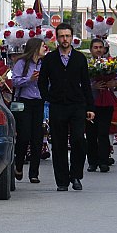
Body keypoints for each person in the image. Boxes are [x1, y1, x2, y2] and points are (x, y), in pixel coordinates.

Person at [38, 22, 95, 191]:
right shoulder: (49, 59)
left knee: (78, 140)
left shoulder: (79, 59)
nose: (65, 39)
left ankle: (76, 175)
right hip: (57, 105)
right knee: (59, 143)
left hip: (77, 104)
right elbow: (42, 82)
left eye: (68, 36)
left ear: (72, 37)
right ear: (57, 38)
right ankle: (62, 181)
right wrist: (48, 97)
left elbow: (86, 84)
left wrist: (90, 107)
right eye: (62, 36)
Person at [86, 38, 117, 173]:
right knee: (91, 133)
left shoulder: (111, 64)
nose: (98, 50)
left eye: (100, 47)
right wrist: (93, 86)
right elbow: (80, 83)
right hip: (90, 102)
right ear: (91, 49)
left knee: (103, 132)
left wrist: (114, 84)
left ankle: (104, 161)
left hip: (106, 102)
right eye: (95, 47)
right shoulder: (86, 64)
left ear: (104, 49)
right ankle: (92, 162)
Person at [11, 38, 47, 183]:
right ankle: (18, 165)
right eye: (43, 46)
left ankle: (34, 173)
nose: (45, 48)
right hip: (24, 103)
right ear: (35, 48)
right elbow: (14, 81)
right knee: (24, 136)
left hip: (39, 102)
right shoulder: (22, 63)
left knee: (37, 138)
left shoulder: (43, 64)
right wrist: (29, 79)